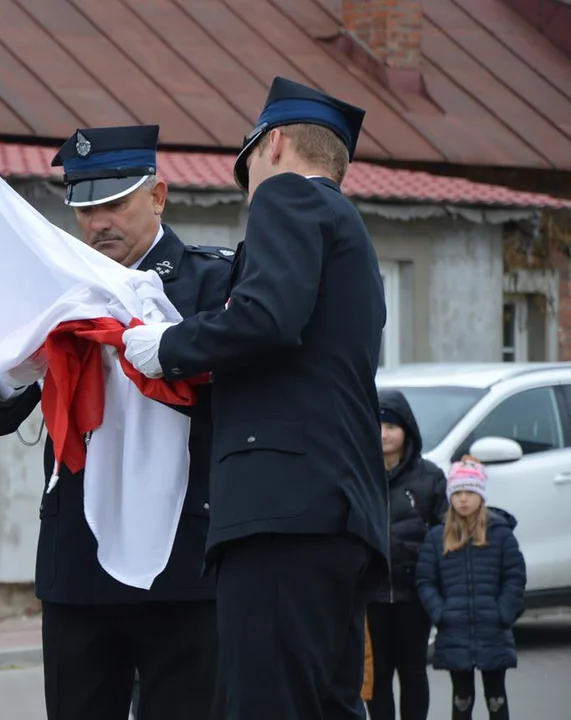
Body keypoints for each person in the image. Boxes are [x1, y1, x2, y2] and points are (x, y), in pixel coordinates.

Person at [121, 76, 390, 719]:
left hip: (281, 513)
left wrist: (174, 346)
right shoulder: (350, 232)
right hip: (337, 510)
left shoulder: (288, 198)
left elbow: (269, 317)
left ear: (271, 146)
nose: (248, 192)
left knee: (268, 704)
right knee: (326, 704)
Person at [0, 124, 233, 720]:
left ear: (158, 195)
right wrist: (19, 372)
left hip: (184, 558)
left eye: (114, 203)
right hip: (79, 559)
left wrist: (177, 345)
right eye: (84, 207)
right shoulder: (57, 290)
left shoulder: (214, 283)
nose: (97, 222)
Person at [415, 456, 526, 720]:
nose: (463, 499)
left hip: (492, 629)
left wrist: (504, 612)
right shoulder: (437, 537)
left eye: (470, 492)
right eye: (458, 492)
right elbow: (425, 579)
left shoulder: (500, 534)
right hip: (455, 630)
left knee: (496, 696)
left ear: (481, 495)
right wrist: (440, 611)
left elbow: (515, 575)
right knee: (462, 698)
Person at [367, 390, 449, 720]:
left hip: (414, 596)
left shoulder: (429, 478)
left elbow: (444, 534)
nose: (384, 433)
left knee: (413, 672)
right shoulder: (360, 473)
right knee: (377, 678)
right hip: (369, 595)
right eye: (378, 425)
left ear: (407, 430)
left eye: (392, 426)